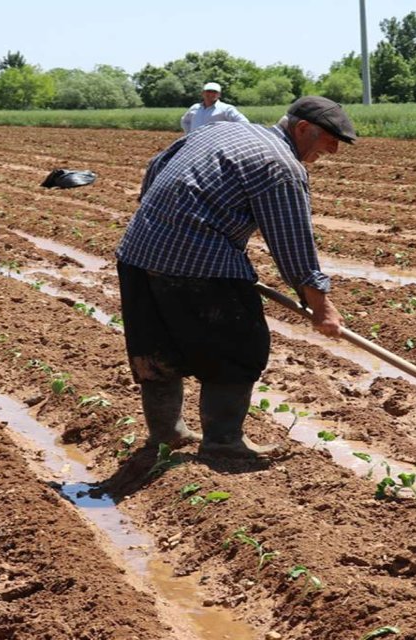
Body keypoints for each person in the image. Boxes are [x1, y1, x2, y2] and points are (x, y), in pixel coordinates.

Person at [117, 96, 355, 459]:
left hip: (137, 250)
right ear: (303, 128)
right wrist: (320, 305)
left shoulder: (222, 130)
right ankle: (223, 444)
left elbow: (155, 166)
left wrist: (164, 221)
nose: (334, 150)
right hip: (197, 261)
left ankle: (166, 434)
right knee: (239, 347)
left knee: (156, 348)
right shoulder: (281, 165)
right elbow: (291, 241)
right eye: (330, 139)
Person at [179, 82, 249, 134]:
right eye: (208, 91)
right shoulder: (195, 107)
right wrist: (189, 135)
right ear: (203, 93)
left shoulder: (226, 109)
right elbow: (184, 121)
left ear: (219, 95)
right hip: (196, 145)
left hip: (216, 146)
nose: (211, 94)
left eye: (214, 92)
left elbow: (244, 123)